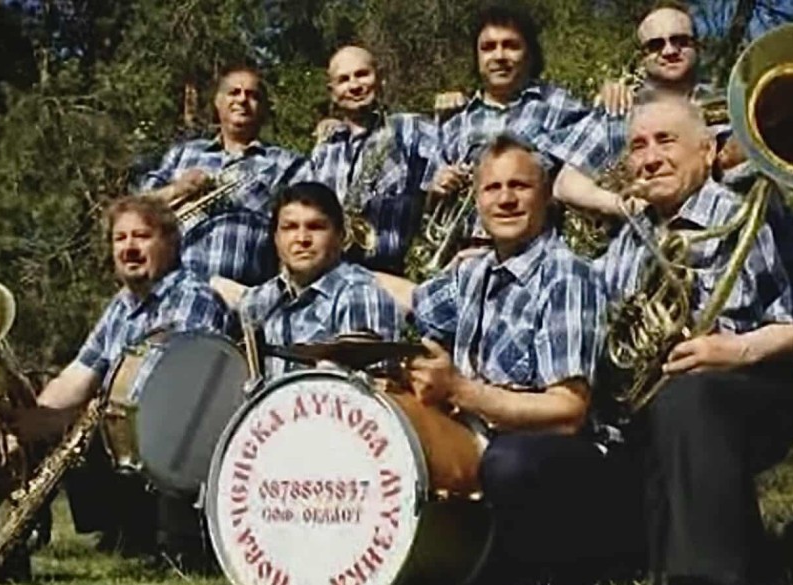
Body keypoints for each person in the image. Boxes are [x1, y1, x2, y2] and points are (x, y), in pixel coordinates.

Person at [595, 91, 793, 585]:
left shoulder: (753, 214)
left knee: (693, 392)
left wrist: (734, 350)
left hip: (753, 389)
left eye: (666, 141)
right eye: (638, 145)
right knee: (652, 569)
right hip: (656, 408)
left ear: (707, 152)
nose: (649, 158)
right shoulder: (632, 234)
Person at [381, 135, 636, 582]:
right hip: (485, 439)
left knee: (507, 463)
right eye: (492, 188)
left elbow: (567, 412)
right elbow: (411, 300)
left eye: (520, 186)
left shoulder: (567, 275)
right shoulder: (473, 272)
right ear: (477, 200)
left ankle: (560, 568)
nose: (505, 199)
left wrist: (459, 389)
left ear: (546, 195)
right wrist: (338, 274)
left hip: (564, 457)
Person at [7, 195, 232, 561]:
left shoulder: (193, 297)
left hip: (172, 462)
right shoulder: (122, 305)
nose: (129, 248)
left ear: (171, 243)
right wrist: (30, 425)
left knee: (82, 424)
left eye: (141, 236)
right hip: (128, 452)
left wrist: (63, 420)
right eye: (119, 238)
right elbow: (78, 375)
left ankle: (146, 536)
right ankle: (93, 531)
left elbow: (164, 396)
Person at [548, 2, 744, 222]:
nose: (670, 51)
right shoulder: (618, 111)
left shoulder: (731, 108)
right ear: (642, 57)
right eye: (656, 45)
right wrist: (629, 208)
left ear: (698, 47)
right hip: (650, 238)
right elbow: (566, 185)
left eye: (680, 41)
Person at [426, 5, 590, 243]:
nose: (499, 56)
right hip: (465, 252)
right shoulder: (454, 123)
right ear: (477, 58)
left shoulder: (560, 105)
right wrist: (439, 188)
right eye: (488, 48)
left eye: (511, 46)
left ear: (530, 54)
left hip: (538, 250)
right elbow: (430, 210)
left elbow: (593, 169)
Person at [139, 63, 309, 286]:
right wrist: (177, 189)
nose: (242, 99)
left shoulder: (286, 163)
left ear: (263, 109)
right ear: (218, 102)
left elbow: (306, 226)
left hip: (243, 294)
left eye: (252, 95)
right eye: (234, 92)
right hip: (174, 290)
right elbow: (136, 210)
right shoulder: (183, 153)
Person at [215, 182, 403, 380]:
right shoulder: (258, 301)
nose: (302, 238)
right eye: (290, 227)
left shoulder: (360, 294)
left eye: (316, 227)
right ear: (276, 238)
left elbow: (375, 389)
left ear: (341, 236)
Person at [309, 46, 438, 275]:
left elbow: (454, 167)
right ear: (332, 92)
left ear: (380, 79)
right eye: (343, 80)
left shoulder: (411, 128)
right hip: (330, 275)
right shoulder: (324, 149)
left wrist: (452, 111)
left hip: (393, 276)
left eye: (362, 74)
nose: (354, 85)